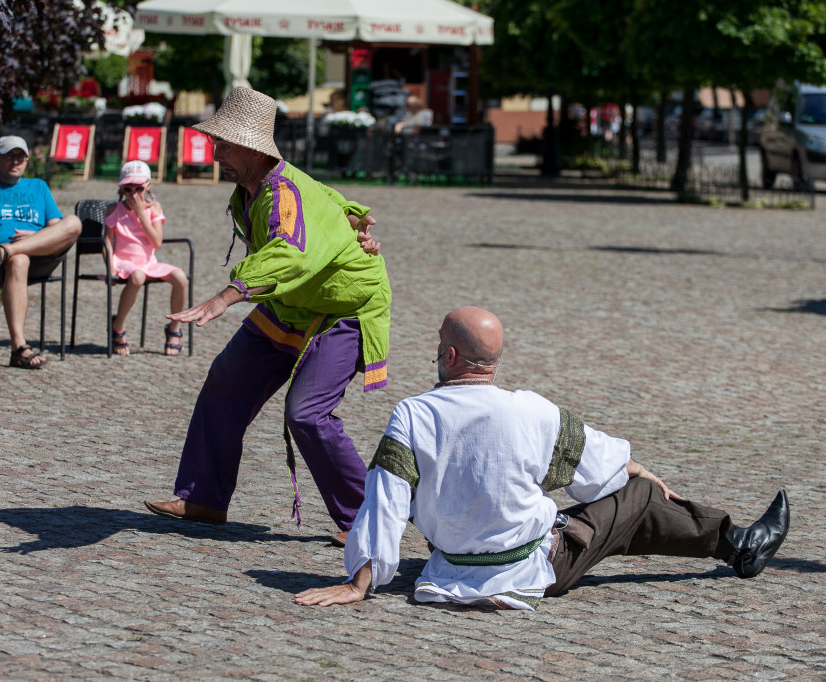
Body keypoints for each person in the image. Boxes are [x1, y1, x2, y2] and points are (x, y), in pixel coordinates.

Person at [295, 307, 790, 609]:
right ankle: (739, 544)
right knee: (637, 495)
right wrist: (637, 469)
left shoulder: (412, 414)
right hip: (534, 569)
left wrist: (362, 579)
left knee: (617, 508)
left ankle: (739, 545)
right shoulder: (531, 411)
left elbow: (385, 498)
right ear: (494, 361)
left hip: (448, 567)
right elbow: (602, 476)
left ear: (448, 357)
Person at [144, 87, 390, 546]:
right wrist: (353, 225)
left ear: (256, 148)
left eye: (225, 145)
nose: (216, 154)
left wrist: (227, 295)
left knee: (307, 414)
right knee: (226, 381)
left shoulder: (283, 192)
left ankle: (367, 521)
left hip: (343, 309)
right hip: (289, 304)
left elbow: (290, 253)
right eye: (215, 143)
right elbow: (332, 205)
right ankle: (203, 498)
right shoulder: (253, 186)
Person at [0, 136, 82, 368]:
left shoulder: (38, 186)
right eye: (10, 156)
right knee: (19, 260)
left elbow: (56, 227)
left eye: (20, 156)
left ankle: (9, 250)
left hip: (40, 256)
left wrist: (35, 237)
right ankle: (19, 347)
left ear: (27, 160)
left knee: (73, 222)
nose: (16, 161)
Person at [105, 161, 188, 356]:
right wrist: (110, 266)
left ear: (148, 186)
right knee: (137, 276)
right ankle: (118, 327)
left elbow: (157, 242)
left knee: (180, 277)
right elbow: (107, 241)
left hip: (149, 262)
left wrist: (142, 214)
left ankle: (174, 327)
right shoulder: (114, 209)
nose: (133, 193)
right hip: (123, 261)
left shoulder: (154, 207)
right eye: (128, 188)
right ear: (121, 188)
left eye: (138, 188)